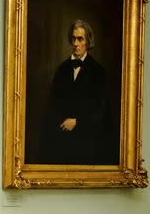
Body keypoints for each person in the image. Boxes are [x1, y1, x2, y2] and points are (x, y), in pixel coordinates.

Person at [42, 19, 111, 165]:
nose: (76, 43)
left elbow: (102, 111)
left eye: (80, 39)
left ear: (88, 41)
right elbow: (51, 105)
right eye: (73, 38)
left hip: (87, 144)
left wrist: (77, 122)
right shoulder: (61, 69)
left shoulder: (98, 72)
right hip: (61, 143)